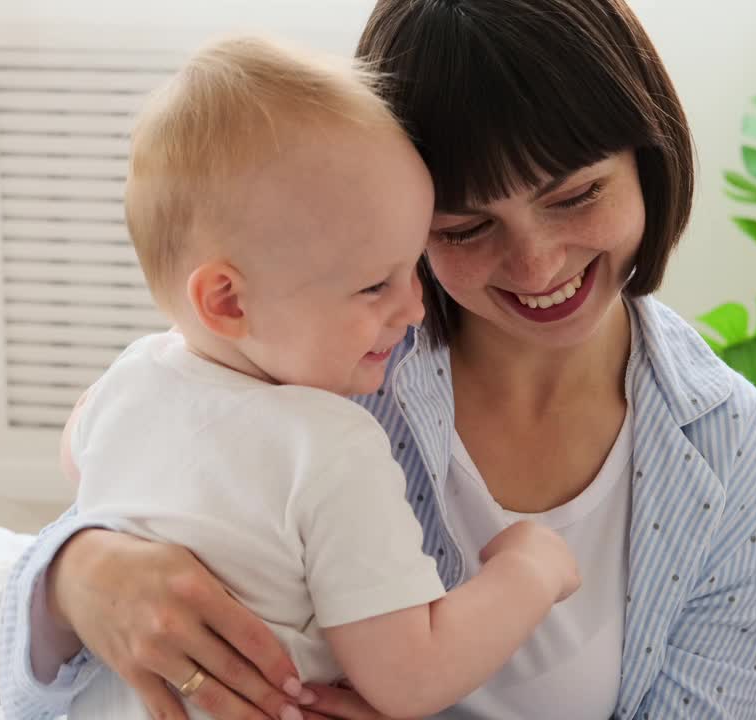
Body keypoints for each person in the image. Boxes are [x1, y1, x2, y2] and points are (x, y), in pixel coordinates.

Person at [0, 1, 756, 718]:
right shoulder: (322, 359)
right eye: (464, 229)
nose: (536, 266)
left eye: (575, 196)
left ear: (648, 159)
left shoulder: (732, 463)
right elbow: (108, 537)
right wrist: (77, 579)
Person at [55, 34, 581, 720]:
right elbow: (412, 677)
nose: (414, 308)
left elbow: (75, 459)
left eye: (412, 268)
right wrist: (530, 569)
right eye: (372, 286)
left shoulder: (126, 381)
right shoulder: (332, 448)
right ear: (228, 301)